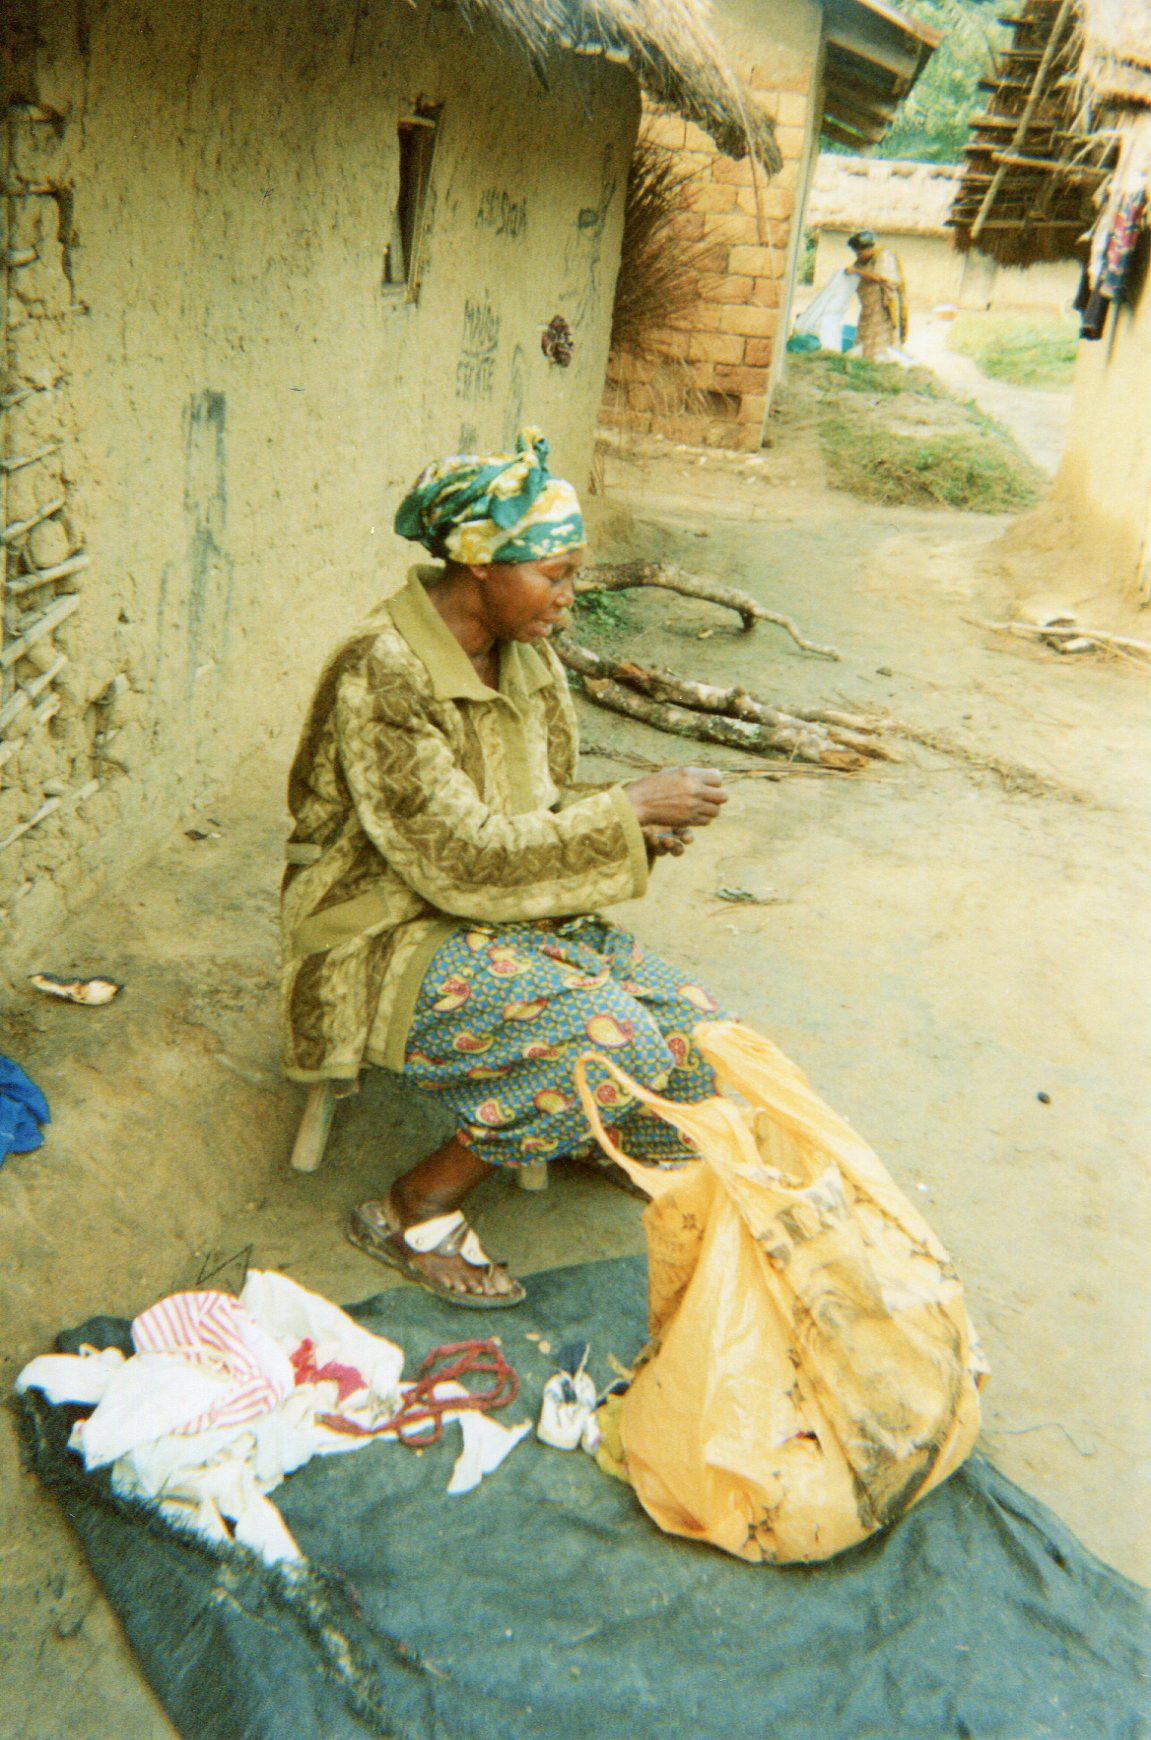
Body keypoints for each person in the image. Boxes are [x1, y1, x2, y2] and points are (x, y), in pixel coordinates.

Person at [281, 429, 728, 1308]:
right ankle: (414, 1204)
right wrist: (625, 812)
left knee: (702, 1040)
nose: (568, 597)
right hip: (380, 930)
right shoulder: (382, 670)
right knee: (614, 1039)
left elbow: (544, 805)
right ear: (482, 564)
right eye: (554, 575)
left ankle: (569, 1125)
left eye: (570, 575)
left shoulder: (528, 658)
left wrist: (631, 831)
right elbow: (457, 863)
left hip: (495, 911)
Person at [846, 229, 908, 360]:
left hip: (882, 307)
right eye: (856, 253)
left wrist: (857, 272)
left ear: (869, 249)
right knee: (866, 339)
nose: (858, 256)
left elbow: (882, 278)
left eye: (859, 252)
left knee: (881, 340)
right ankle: (867, 362)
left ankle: (883, 363)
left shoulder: (884, 256)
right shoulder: (859, 264)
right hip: (868, 309)